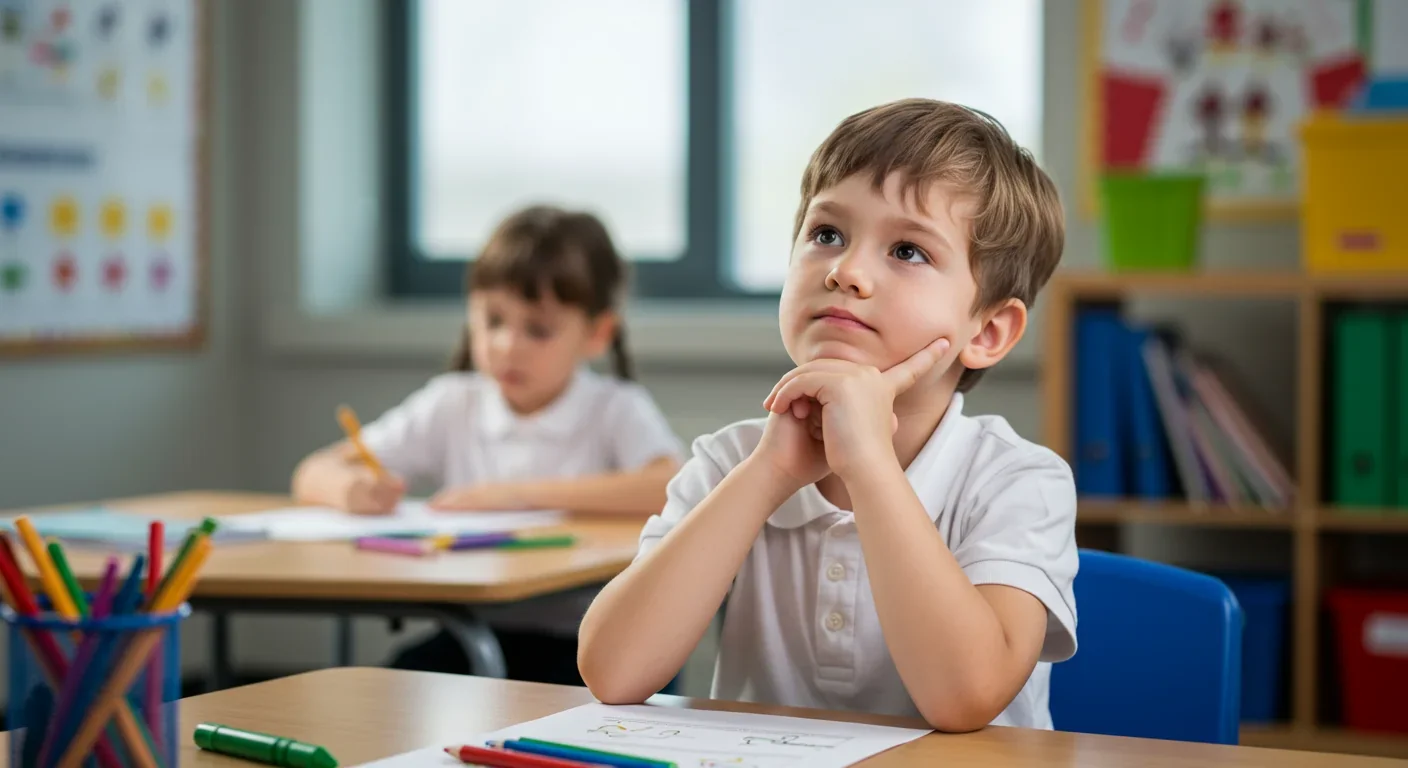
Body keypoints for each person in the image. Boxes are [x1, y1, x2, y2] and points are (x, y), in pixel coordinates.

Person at [578, 99, 1076, 731]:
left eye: (908, 251)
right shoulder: (732, 461)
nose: (846, 271)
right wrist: (770, 472)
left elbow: (967, 696)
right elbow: (613, 672)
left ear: (989, 330)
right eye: (826, 235)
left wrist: (868, 465)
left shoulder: (1019, 481)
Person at [292, 205, 684, 684]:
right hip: (472, 632)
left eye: (537, 329)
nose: (507, 345)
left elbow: (671, 487)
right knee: (381, 690)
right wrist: (350, 488)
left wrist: (516, 494)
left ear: (598, 333)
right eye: (492, 320)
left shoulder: (614, 407)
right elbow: (312, 472)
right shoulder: (454, 402)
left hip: (587, 646)